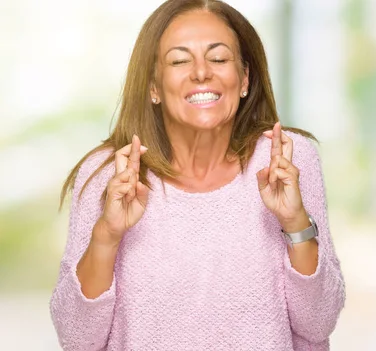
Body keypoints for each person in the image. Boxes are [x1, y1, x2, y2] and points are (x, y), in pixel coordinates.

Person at [49, 0, 345, 350]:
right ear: (153, 86)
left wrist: (296, 222)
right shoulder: (109, 175)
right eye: (179, 60)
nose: (201, 72)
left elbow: (319, 322)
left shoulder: (287, 159)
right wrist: (106, 236)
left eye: (219, 58)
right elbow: (77, 339)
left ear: (245, 78)